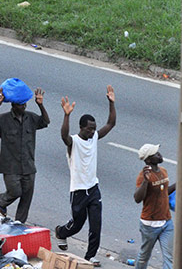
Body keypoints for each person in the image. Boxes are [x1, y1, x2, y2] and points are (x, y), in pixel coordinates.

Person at [55, 85, 117, 266]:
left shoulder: (95, 138)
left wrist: (111, 103)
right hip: (79, 190)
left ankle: (90, 256)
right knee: (77, 224)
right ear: (81, 127)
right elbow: (63, 135)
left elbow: (111, 124)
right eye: (89, 129)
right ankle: (61, 232)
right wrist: (66, 115)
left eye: (93, 129)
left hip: (93, 188)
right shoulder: (73, 141)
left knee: (96, 226)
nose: (92, 132)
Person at [0, 79, 50, 223]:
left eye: (24, 104)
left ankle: (19, 224)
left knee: (26, 198)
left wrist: (41, 105)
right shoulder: (3, 120)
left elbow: (45, 121)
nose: (23, 106)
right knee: (15, 192)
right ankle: (2, 201)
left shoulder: (31, 118)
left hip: (28, 166)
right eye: (20, 104)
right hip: (10, 166)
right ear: (14, 105)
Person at [133, 144, 175, 269]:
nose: (160, 155)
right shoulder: (143, 176)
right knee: (144, 256)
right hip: (150, 224)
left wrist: (180, 183)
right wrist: (146, 181)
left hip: (167, 222)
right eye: (156, 154)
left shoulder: (163, 171)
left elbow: (165, 191)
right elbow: (137, 198)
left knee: (169, 258)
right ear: (149, 160)